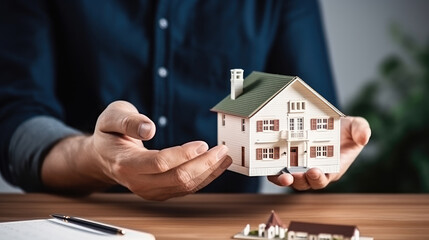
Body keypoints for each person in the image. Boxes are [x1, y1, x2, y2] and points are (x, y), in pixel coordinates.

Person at [0, 0, 370, 200]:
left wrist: (325, 144)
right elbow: (16, 123)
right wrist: (97, 158)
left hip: (223, 224)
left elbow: (310, 101)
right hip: (92, 220)